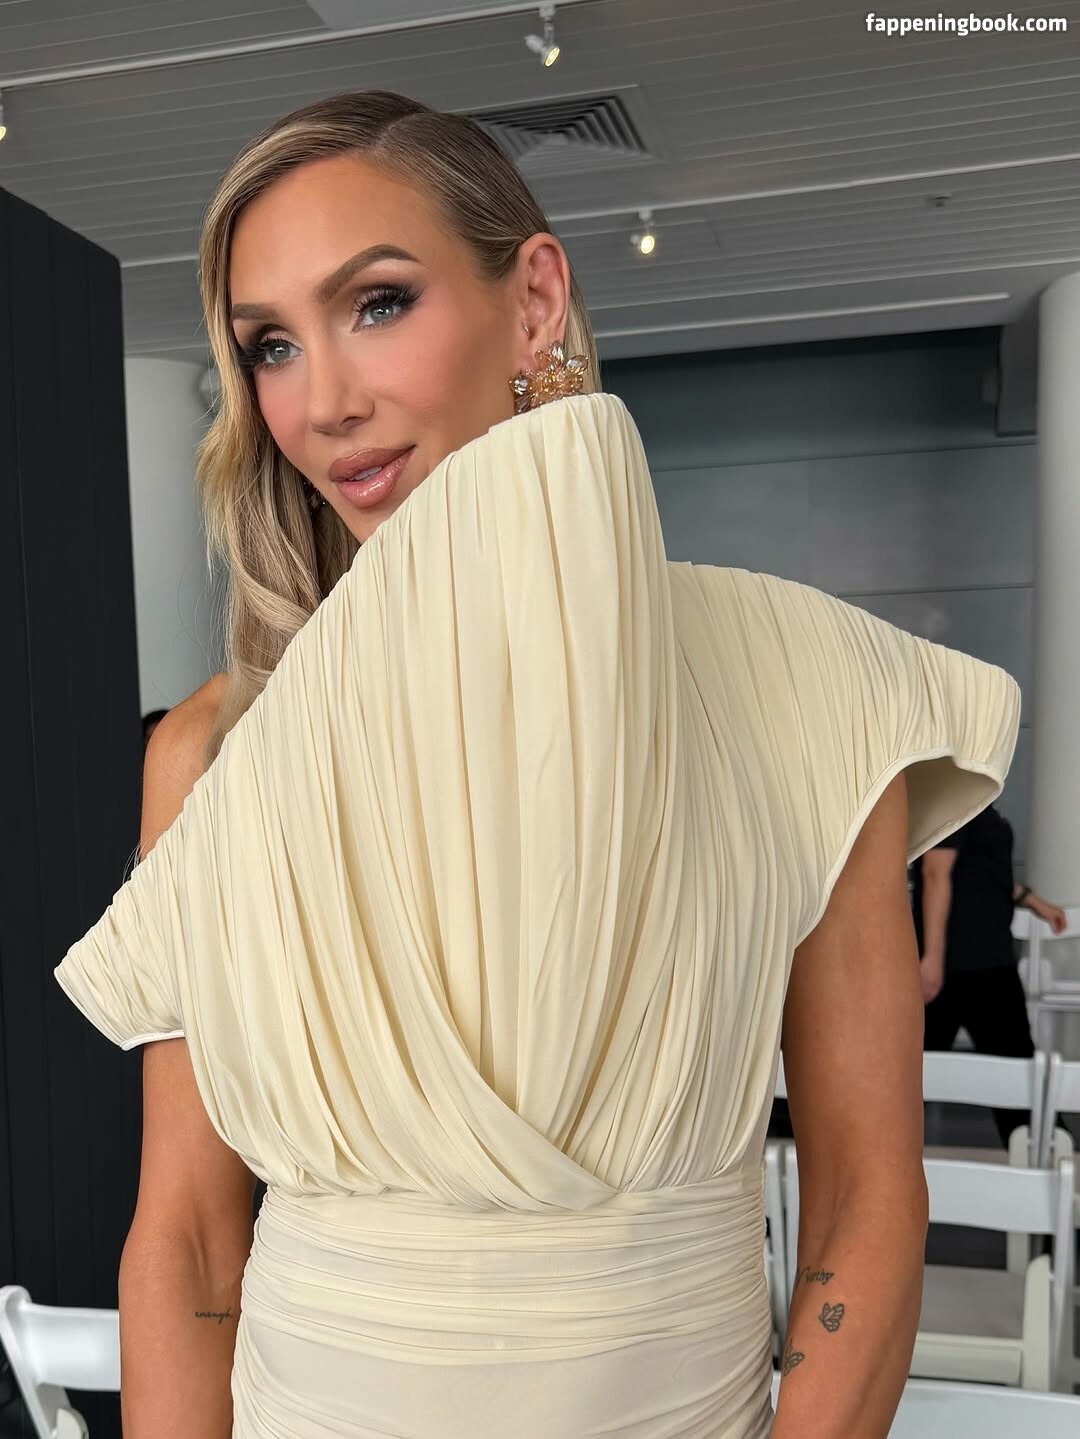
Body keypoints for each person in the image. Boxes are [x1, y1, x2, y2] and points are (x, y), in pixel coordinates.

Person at [52, 91, 1021, 1439]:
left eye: (377, 303)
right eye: (271, 345)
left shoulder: (804, 685)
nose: (324, 401)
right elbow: (190, 1241)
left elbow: (865, 1197)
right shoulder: (217, 751)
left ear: (535, 302)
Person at [914, 803, 1066, 1146]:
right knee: (1012, 1075)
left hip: (985, 961)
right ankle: (1053, 1152)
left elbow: (981, 871)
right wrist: (932, 961)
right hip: (966, 966)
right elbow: (935, 873)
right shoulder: (956, 795)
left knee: (1010, 1072)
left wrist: (1033, 901)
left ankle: (1050, 1151)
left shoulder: (979, 801)